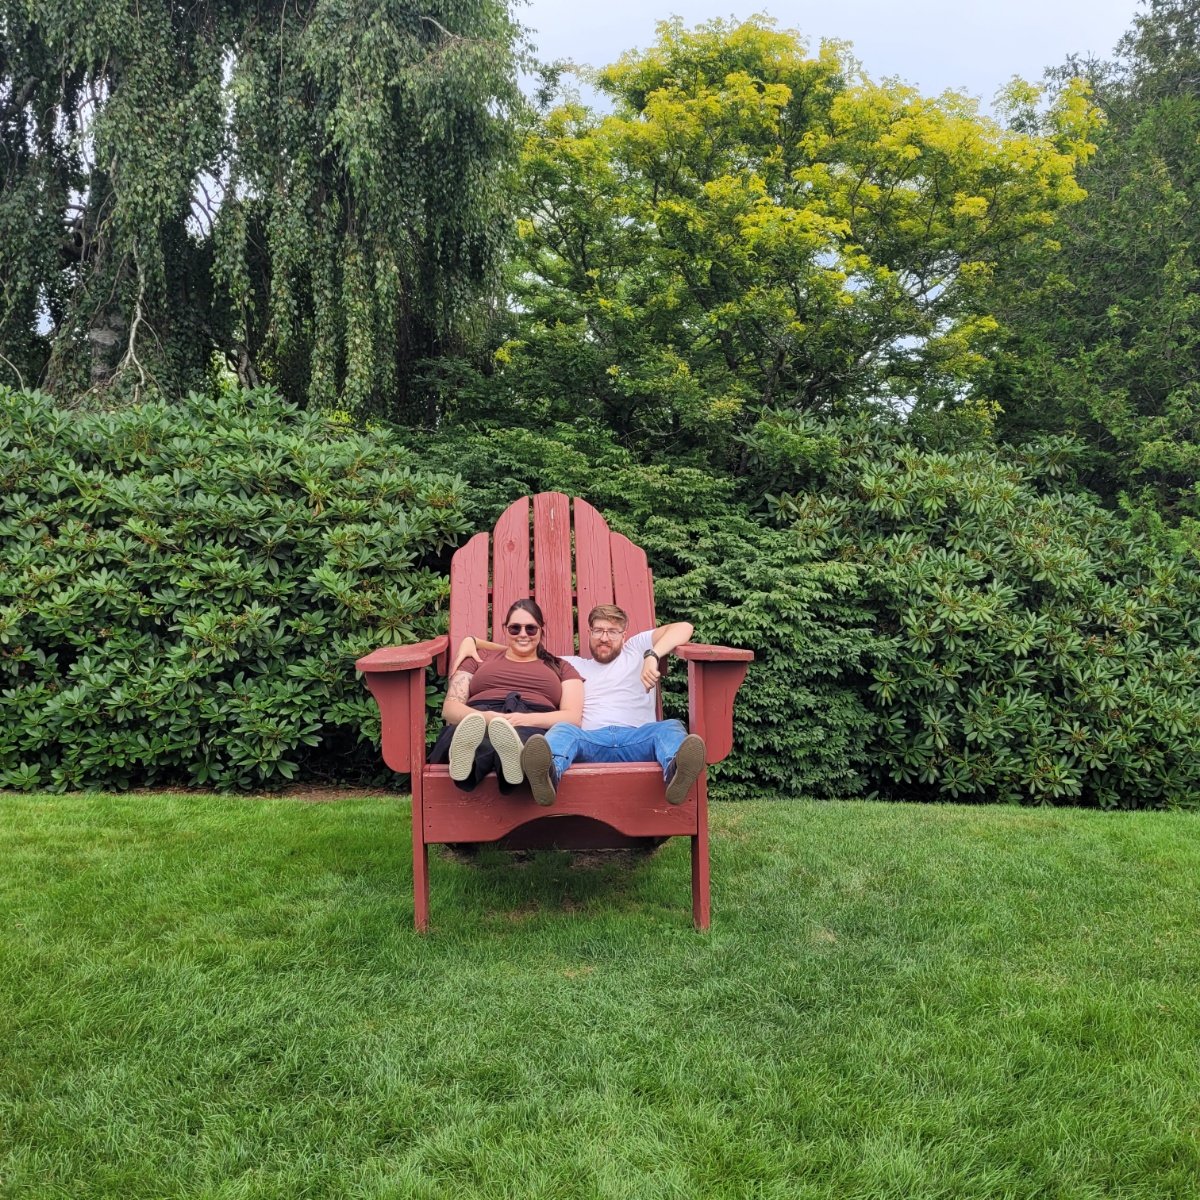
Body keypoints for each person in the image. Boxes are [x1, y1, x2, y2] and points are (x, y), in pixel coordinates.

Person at [452, 604, 704, 806]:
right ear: (589, 633)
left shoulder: (637, 649)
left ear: (624, 635)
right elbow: (521, 647)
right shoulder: (571, 665)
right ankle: (548, 775)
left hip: (639, 738)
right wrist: (472, 642)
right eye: (598, 630)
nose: (604, 637)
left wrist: (652, 655)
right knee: (563, 730)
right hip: (588, 740)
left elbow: (683, 627)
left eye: (612, 632)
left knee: (670, 727)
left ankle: (676, 773)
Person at [431, 598, 583, 791]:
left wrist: (521, 720)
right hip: (478, 717)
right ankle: (488, 761)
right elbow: (450, 707)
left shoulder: (561, 666)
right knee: (469, 732)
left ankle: (479, 765)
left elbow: (572, 717)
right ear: (505, 630)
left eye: (530, 629)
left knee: (528, 743)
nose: (522, 634)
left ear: (541, 630)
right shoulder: (479, 657)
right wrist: (485, 718)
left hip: (532, 720)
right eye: (515, 629)